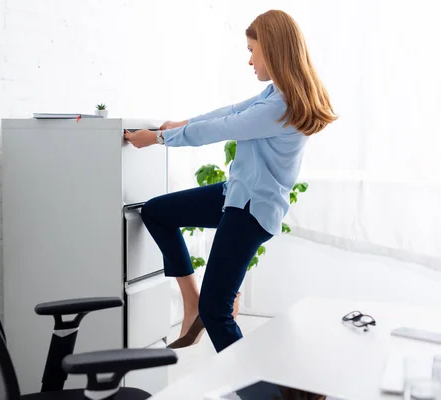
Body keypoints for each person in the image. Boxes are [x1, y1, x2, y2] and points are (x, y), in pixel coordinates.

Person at [124, 9, 337, 353]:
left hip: (251, 210)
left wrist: (160, 139)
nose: (250, 60)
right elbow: (227, 112)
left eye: (252, 50)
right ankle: (191, 302)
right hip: (237, 195)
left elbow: (221, 129)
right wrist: (178, 123)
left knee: (217, 311)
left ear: (271, 48)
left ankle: (256, 391)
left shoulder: (280, 106)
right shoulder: (273, 94)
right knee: (157, 212)